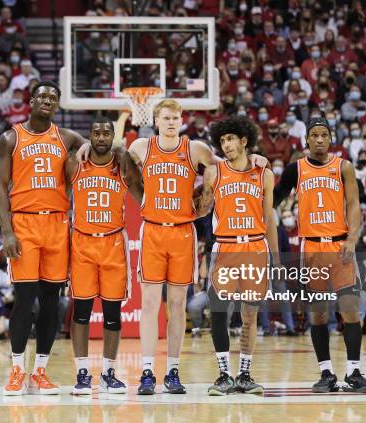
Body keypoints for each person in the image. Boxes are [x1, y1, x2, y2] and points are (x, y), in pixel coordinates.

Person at [113, 99, 266, 395]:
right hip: (153, 230)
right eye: (167, 117)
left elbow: (230, 167)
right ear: (156, 119)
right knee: (148, 304)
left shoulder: (195, 149)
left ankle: (172, 371)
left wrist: (256, 160)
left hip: (183, 231)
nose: (172, 122)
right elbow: (118, 160)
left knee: (178, 304)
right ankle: (147, 372)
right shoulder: (142, 147)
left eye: (176, 117)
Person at [0, 81, 89, 396]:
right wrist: (7, 230)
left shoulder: (69, 138)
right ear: (31, 100)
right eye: (42, 96)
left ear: (57, 105)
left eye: (53, 97)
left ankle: (41, 371)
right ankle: (17, 369)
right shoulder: (10, 138)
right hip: (24, 225)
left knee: (52, 301)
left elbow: (99, 150)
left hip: (58, 225)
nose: (47, 100)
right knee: (24, 300)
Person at [273, 117, 366, 393]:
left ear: (330, 138)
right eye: (314, 135)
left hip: (340, 245)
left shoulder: (344, 167)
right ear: (306, 139)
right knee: (318, 315)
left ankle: (354, 372)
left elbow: (354, 205)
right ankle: (326, 373)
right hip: (311, 248)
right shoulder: (296, 169)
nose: (319, 139)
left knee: (350, 310)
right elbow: (272, 200)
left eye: (324, 135)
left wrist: (353, 238)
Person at [197, 115, 278, 395]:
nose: (226, 145)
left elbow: (269, 219)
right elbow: (202, 210)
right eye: (222, 140)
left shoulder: (263, 173)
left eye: (230, 138)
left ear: (244, 140)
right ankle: (223, 375)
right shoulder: (214, 173)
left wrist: (277, 261)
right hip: (225, 247)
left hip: (255, 246)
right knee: (218, 313)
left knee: (249, 316)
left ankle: (244, 374)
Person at [65, 116, 142, 395]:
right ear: (89, 136)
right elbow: (62, 137)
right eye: (95, 133)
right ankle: (82, 372)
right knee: (82, 313)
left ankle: (109, 373)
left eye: (105, 133)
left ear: (113, 137)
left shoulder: (122, 166)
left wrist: (124, 152)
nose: (100, 138)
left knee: (112, 314)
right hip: (83, 244)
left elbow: (143, 197)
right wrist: (82, 144)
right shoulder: (75, 164)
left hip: (113, 245)